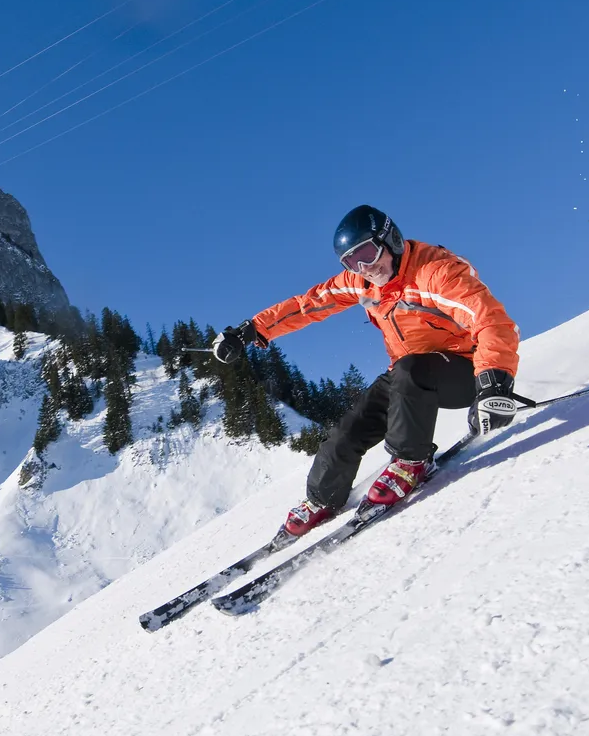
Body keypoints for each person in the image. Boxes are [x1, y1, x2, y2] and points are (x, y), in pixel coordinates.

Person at [213, 205, 520, 537]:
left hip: (468, 372)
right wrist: (251, 330)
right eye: (352, 262)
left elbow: (491, 320)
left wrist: (493, 382)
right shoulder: (361, 282)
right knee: (349, 429)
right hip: (408, 379)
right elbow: (308, 304)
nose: (365, 268)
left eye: (368, 255)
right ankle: (322, 498)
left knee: (411, 369)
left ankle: (411, 462)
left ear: (392, 240)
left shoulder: (434, 272)